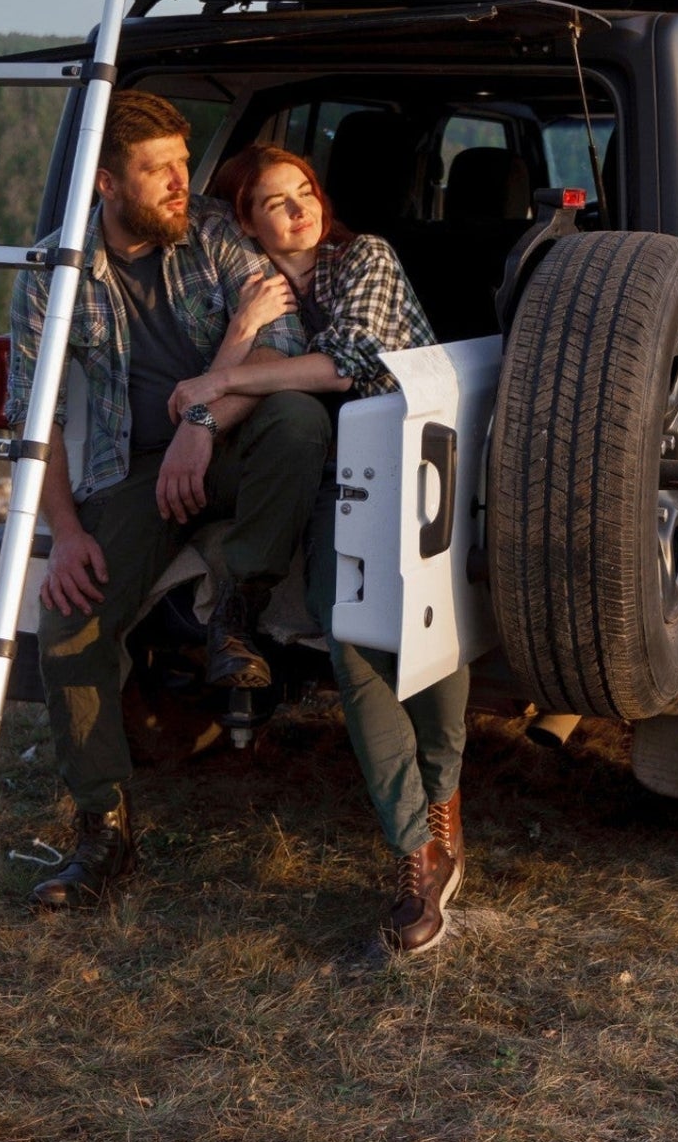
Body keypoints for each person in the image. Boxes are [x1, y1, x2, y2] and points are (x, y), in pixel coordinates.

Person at [7, 96, 331, 910]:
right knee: (70, 617)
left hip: (237, 442)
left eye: (186, 164)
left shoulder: (215, 233)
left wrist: (199, 419)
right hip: (136, 469)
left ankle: (239, 604)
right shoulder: (55, 272)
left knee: (296, 421)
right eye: (161, 171)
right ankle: (101, 829)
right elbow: (32, 413)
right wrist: (70, 533)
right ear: (108, 185)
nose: (184, 184)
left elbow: (282, 344)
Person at [169, 145, 468, 956]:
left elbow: (350, 365)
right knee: (350, 638)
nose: (300, 210)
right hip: (339, 478)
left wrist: (218, 385)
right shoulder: (253, 290)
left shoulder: (361, 257)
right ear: (246, 221)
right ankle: (416, 846)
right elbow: (218, 387)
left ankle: (445, 800)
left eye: (305, 192)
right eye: (274, 202)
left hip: (418, 456)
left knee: (429, 628)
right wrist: (233, 350)